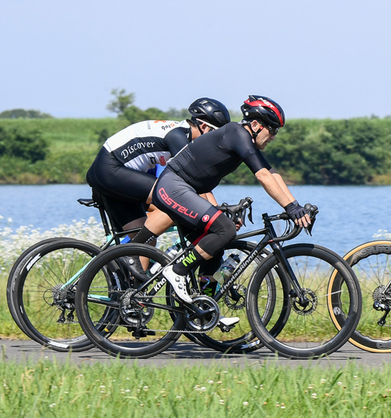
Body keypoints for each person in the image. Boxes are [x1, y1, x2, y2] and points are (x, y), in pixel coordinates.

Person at [131, 95, 313, 305]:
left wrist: (296, 206)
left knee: (216, 246)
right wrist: (290, 207)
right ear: (255, 125)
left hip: (184, 189)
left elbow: (273, 175)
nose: (273, 136)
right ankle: (177, 271)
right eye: (271, 130)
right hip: (173, 186)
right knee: (226, 230)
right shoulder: (237, 133)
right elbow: (262, 177)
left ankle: (205, 305)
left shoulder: (245, 140)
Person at [86, 97, 231, 234]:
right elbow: (191, 184)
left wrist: (216, 211)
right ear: (204, 127)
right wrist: (214, 217)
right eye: (216, 135)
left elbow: (201, 184)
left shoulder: (185, 136)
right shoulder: (178, 137)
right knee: (174, 200)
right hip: (110, 168)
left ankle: (114, 259)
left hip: (113, 171)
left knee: (144, 241)